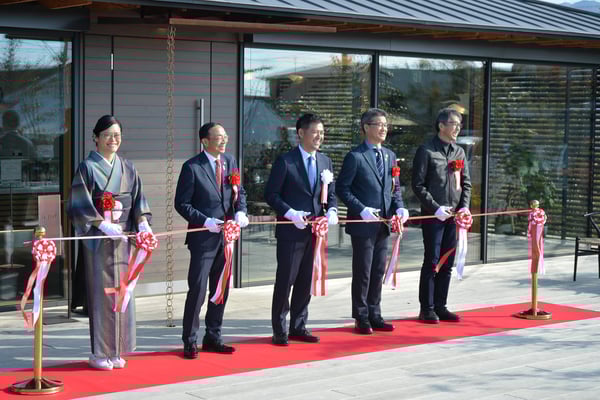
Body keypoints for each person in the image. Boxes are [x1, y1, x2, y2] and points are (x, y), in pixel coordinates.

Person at [67, 115, 152, 370]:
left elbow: (138, 200)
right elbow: (78, 203)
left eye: (117, 135)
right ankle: (99, 352)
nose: (112, 140)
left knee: (124, 292)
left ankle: (117, 350)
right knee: (102, 295)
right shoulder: (87, 168)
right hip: (99, 240)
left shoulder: (128, 167)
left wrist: (143, 223)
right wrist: (101, 223)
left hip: (124, 238)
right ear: (96, 138)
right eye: (107, 135)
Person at [175, 122, 249, 359]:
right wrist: (204, 220)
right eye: (218, 137)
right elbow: (182, 203)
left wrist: (241, 211)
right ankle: (190, 340)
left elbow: (239, 192)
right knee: (198, 289)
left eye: (225, 136)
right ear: (205, 141)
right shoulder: (192, 167)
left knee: (221, 288)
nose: (224, 140)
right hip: (203, 238)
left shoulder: (230, 161)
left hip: (226, 239)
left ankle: (213, 336)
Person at [264, 113, 338, 346]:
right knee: (286, 279)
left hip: (315, 233)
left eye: (322, 132)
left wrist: (332, 210)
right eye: (315, 132)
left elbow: (331, 194)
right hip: (291, 232)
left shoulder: (325, 161)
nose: (319, 136)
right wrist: (290, 213)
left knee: (306, 279)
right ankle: (279, 329)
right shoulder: (285, 161)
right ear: (301, 133)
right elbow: (271, 194)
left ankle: (299, 325)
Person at [336, 108, 409, 335]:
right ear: (366, 127)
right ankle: (361, 316)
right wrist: (361, 209)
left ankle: (375, 313)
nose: (384, 129)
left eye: (386, 125)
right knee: (363, 271)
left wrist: (400, 207)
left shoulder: (390, 155)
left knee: (378, 270)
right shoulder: (355, 156)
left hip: (383, 224)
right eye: (379, 124)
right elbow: (342, 188)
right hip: (363, 224)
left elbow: (394, 188)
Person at [411, 107, 472, 324]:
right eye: (454, 124)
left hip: (454, 217)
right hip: (433, 216)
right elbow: (418, 185)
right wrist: (435, 208)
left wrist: (464, 207)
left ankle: (441, 306)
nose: (458, 128)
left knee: (448, 262)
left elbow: (466, 183)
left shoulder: (459, 152)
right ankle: (426, 308)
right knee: (432, 261)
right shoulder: (427, 150)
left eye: (459, 125)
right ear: (441, 125)